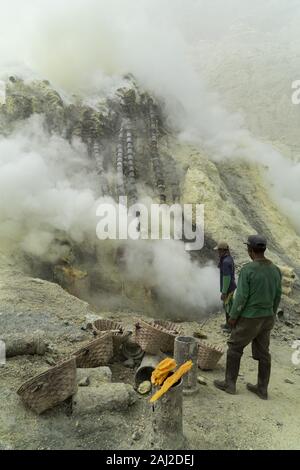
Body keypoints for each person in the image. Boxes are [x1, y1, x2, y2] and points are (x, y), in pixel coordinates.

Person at [214, 235, 282, 400]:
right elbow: (278, 295)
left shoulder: (248, 270)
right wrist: (272, 313)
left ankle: (230, 384)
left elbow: (242, 297)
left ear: (250, 250)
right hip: (267, 317)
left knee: (234, 347)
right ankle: (262, 388)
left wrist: (233, 317)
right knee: (263, 353)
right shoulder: (275, 269)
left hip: (250, 318)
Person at [214, 241, 237, 331]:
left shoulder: (226, 262)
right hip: (231, 287)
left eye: (218, 251)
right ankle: (228, 324)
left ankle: (230, 327)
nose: (218, 253)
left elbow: (226, 278)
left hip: (229, 289)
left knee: (229, 308)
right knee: (227, 307)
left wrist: (224, 292)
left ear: (222, 250)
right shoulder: (228, 258)